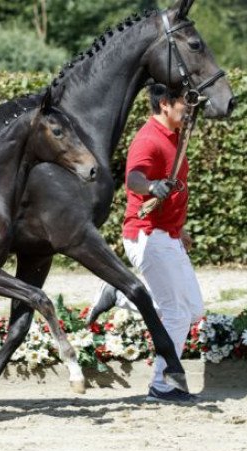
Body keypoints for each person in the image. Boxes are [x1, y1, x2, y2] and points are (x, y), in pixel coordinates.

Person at [88, 83, 204, 403]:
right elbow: (133, 177)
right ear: (165, 104)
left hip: (168, 235)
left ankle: (122, 297)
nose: (189, 109)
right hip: (148, 237)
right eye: (184, 103)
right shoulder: (148, 138)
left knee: (194, 310)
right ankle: (162, 385)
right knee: (177, 314)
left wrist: (179, 230)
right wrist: (151, 186)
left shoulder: (175, 135)